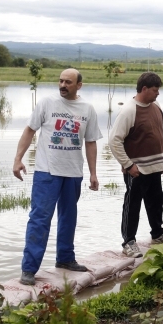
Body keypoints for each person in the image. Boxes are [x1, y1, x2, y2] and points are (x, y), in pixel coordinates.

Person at [13, 69, 101, 285]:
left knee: (68, 218)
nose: (62, 85)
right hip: (47, 171)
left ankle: (65, 259)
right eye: (60, 81)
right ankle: (29, 269)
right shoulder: (46, 103)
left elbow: (90, 142)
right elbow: (29, 131)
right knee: (40, 219)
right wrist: (18, 159)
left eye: (68, 82)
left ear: (79, 85)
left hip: (73, 173)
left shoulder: (87, 109)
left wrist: (93, 173)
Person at [109, 72, 163, 258]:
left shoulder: (155, 106)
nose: (158, 93)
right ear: (144, 89)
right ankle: (128, 242)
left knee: (156, 202)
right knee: (132, 205)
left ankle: (157, 233)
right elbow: (115, 140)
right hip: (137, 170)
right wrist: (127, 164)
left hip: (155, 168)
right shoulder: (129, 110)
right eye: (155, 90)